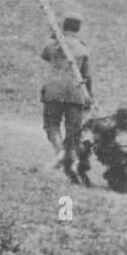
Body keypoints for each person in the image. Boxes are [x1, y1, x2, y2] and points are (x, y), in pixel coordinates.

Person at [40, 12, 92, 179]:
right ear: (78, 28)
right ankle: (68, 158)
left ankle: (61, 153)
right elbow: (87, 76)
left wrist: (54, 36)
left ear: (64, 26)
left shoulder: (54, 45)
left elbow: (45, 55)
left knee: (51, 124)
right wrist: (88, 97)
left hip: (54, 90)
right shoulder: (82, 49)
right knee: (73, 130)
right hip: (76, 93)